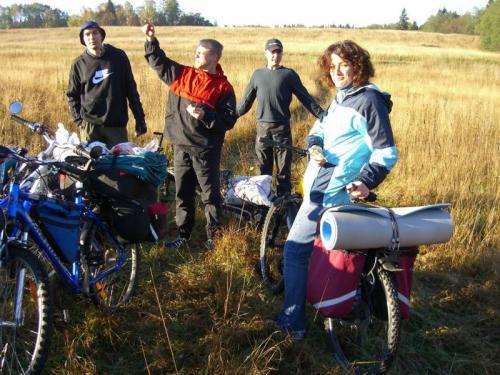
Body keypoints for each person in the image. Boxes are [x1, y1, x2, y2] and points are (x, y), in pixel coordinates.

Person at [271, 40, 399, 339]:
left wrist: (366, 180)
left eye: (344, 64)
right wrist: (314, 146)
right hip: (320, 185)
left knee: (294, 250)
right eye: (333, 65)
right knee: (325, 251)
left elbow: (386, 153)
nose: (337, 71)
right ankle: (331, 301)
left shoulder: (368, 100)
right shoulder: (342, 97)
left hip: (332, 192)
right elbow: (319, 129)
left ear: (358, 66)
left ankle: (293, 322)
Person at [141, 22, 237, 249]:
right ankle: (183, 236)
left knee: (210, 195)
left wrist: (205, 115)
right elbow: (158, 62)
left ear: (214, 57)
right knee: (182, 194)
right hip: (180, 146)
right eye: (196, 52)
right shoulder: (182, 74)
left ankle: (214, 237)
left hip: (205, 149)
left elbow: (228, 120)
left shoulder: (223, 88)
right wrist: (150, 40)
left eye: (201, 53)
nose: (196, 55)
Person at [237, 38, 325, 196]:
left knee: (284, 171)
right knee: (263, 171)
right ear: (266, 53)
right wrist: (228, 115)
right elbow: (244, 104)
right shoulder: (257, 75)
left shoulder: (289, 75)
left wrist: (324, 117)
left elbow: (306, 98)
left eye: (278, 52)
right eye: (272, 52)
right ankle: (263, 206)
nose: (275, 55)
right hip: (262, 130)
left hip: (282, 130)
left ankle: (283, 205)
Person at [67, 20, 147, 148]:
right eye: (87, 34)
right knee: (92, 166)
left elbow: (131, 90)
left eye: (95, 33)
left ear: (101, 35)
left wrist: (140, 119)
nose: (92, 37)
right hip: (90, 127)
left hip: (116, 126)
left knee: (119, 165)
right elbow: (72, 95)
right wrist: (79, 121)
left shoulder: (118, 57)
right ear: (82, 39)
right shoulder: (79, 64)